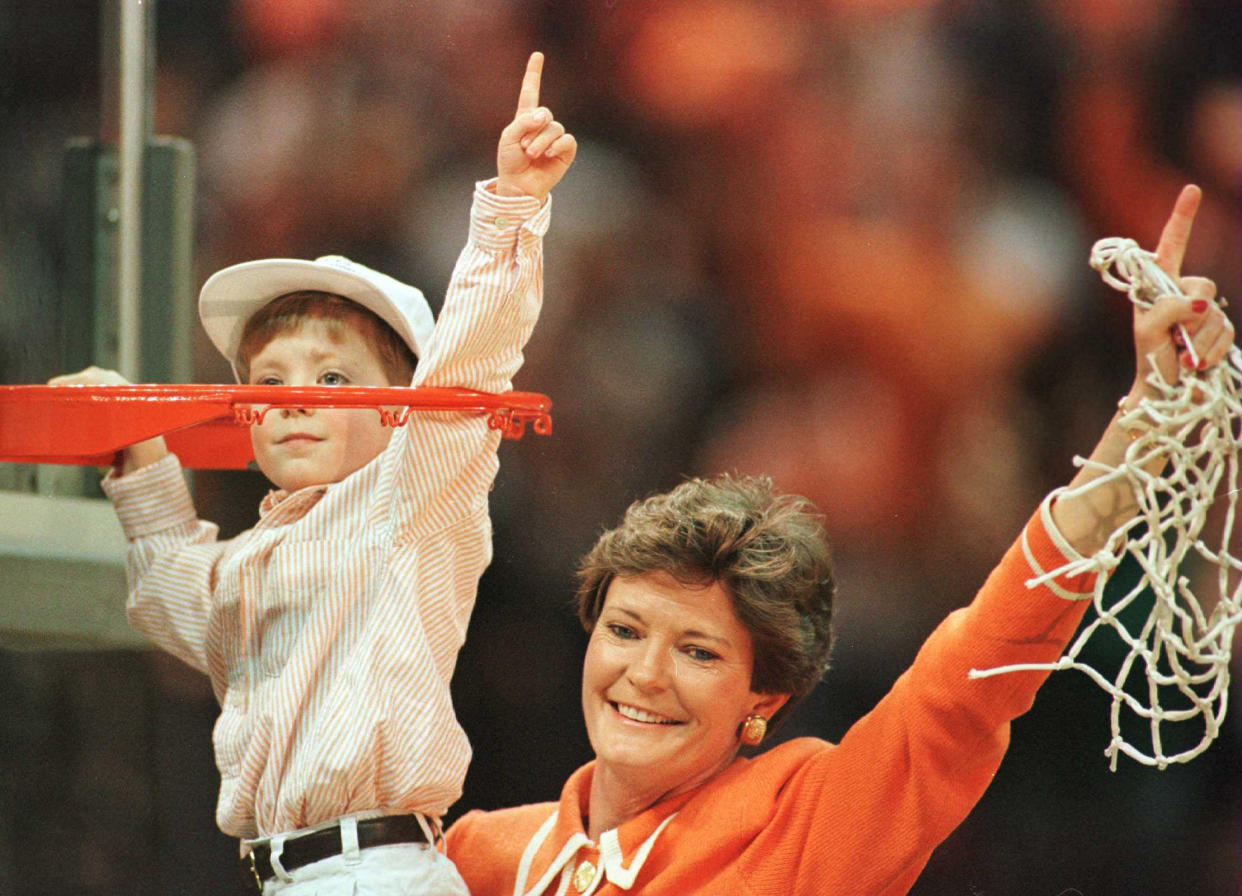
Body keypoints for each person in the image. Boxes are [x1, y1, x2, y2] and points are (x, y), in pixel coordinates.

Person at [443, 184, 1234, 894]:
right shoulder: (475, 857)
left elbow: (969, 677)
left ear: (765, 699)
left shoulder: (807, 826)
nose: (644, 674)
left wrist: (1141, 426)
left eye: (699, 651)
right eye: (624, 630)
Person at [50, 52, 576, 896]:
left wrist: (512, 204)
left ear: (397, 408)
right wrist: (133, 440)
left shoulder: (413, 498)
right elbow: (186, 591)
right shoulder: (261, 558)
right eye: (270, 382)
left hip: (376, 874)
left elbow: (467, 374)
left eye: (332, 379)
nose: (295, 400)